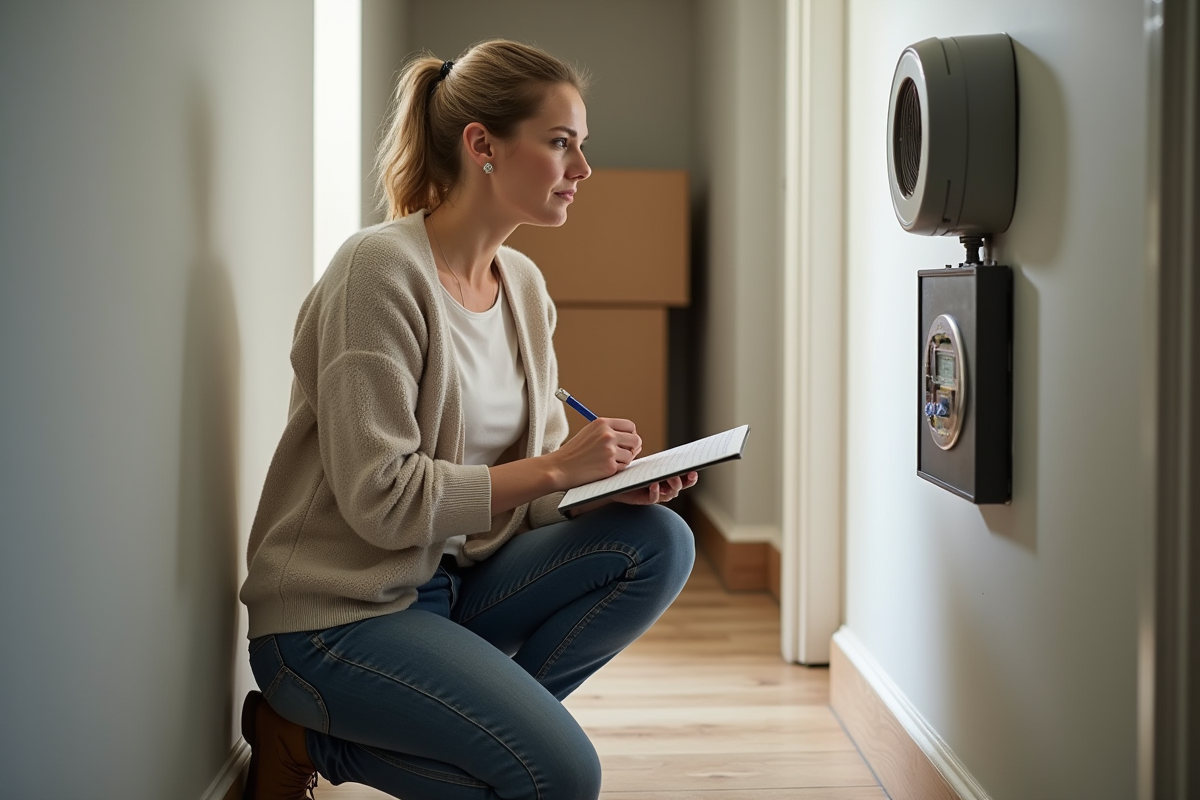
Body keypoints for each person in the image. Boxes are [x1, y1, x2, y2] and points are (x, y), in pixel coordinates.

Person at [238, 39, 698, 800]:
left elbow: (532, 488)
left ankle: (474, 733)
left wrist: (600, 488)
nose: (582, 170)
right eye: (561, 144)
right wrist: (557, 469)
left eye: (581, 146)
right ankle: (309, 736)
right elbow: (380, 500)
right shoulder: (377, 271)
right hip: (333, 619)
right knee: (560, 777)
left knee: (659, 541)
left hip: (449, 589)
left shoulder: (521, 283)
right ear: (482, 145)